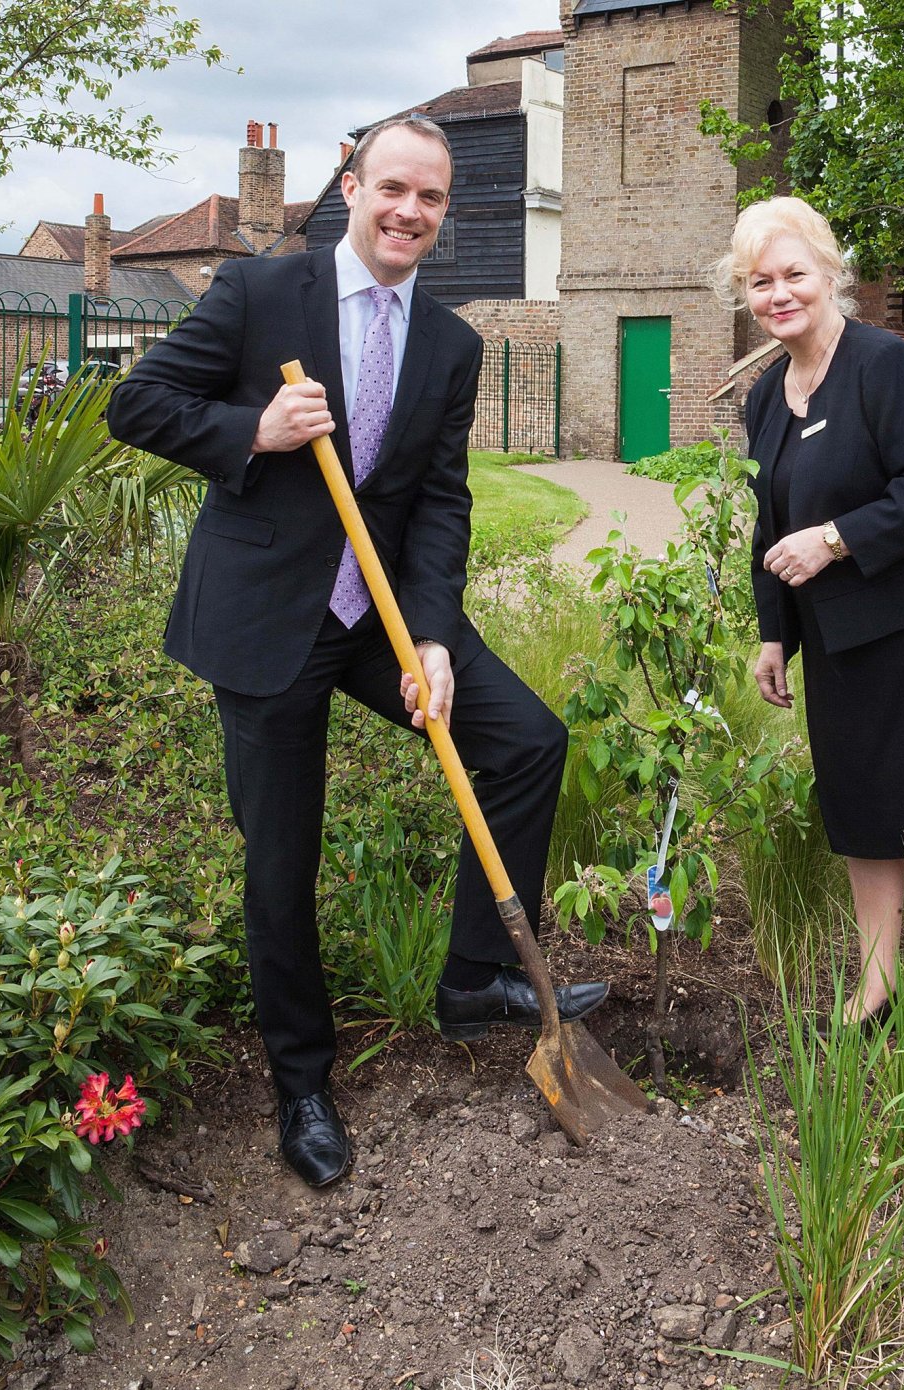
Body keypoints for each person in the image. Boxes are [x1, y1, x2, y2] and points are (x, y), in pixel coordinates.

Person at [107, 116, 607, 1187]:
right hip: (270, 617)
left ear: (443, 214)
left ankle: (475, 976)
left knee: (524, 742)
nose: (408, 212)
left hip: (377, 616)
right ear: (350, 187)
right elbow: (137, 404)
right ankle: (303, 1085)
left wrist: (431, 635)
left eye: (429, 198)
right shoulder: (259, 295)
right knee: (282, 860)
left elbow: (438, 501)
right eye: (392, 188)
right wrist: (254, 429)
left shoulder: (451, 344)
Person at [712, 196, 904, 1060]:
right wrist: (775, 635)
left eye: (794, 274)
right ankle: (876, 985)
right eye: (760, 282)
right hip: (838, 640)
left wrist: (838, 539)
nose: (779, 294)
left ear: (832, 274)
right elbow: (771, 528)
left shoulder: (885, 365)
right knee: (861, 808)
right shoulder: (767, 395)